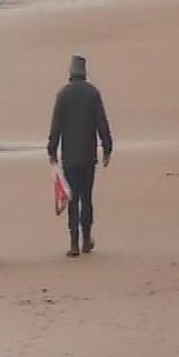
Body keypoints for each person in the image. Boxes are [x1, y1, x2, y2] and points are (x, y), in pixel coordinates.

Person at [47, 55, 113, 257]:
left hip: (70, 156)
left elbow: (56, 125)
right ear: (84, 73)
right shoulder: (92, 93)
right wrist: (107, 147)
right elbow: (102, 123)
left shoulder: (63, 95)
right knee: (87, 197)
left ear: (70, 73)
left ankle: (74, 242)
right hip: (88, 155)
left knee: (72, 199)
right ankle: (86, 239)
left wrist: (52, 149)